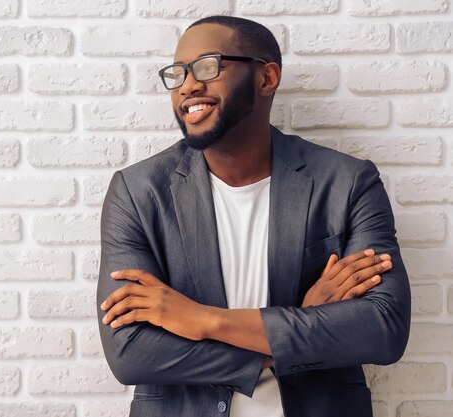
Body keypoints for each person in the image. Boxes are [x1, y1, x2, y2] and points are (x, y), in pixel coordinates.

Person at [96, 16, 410, 417]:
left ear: (266, 78)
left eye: (208, 66)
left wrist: (199, 319)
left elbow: (382, 330)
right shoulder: (138, 192)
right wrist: (296, 329)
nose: (188, 85)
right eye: (177, 74)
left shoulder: (347, 182)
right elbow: (130, 354)